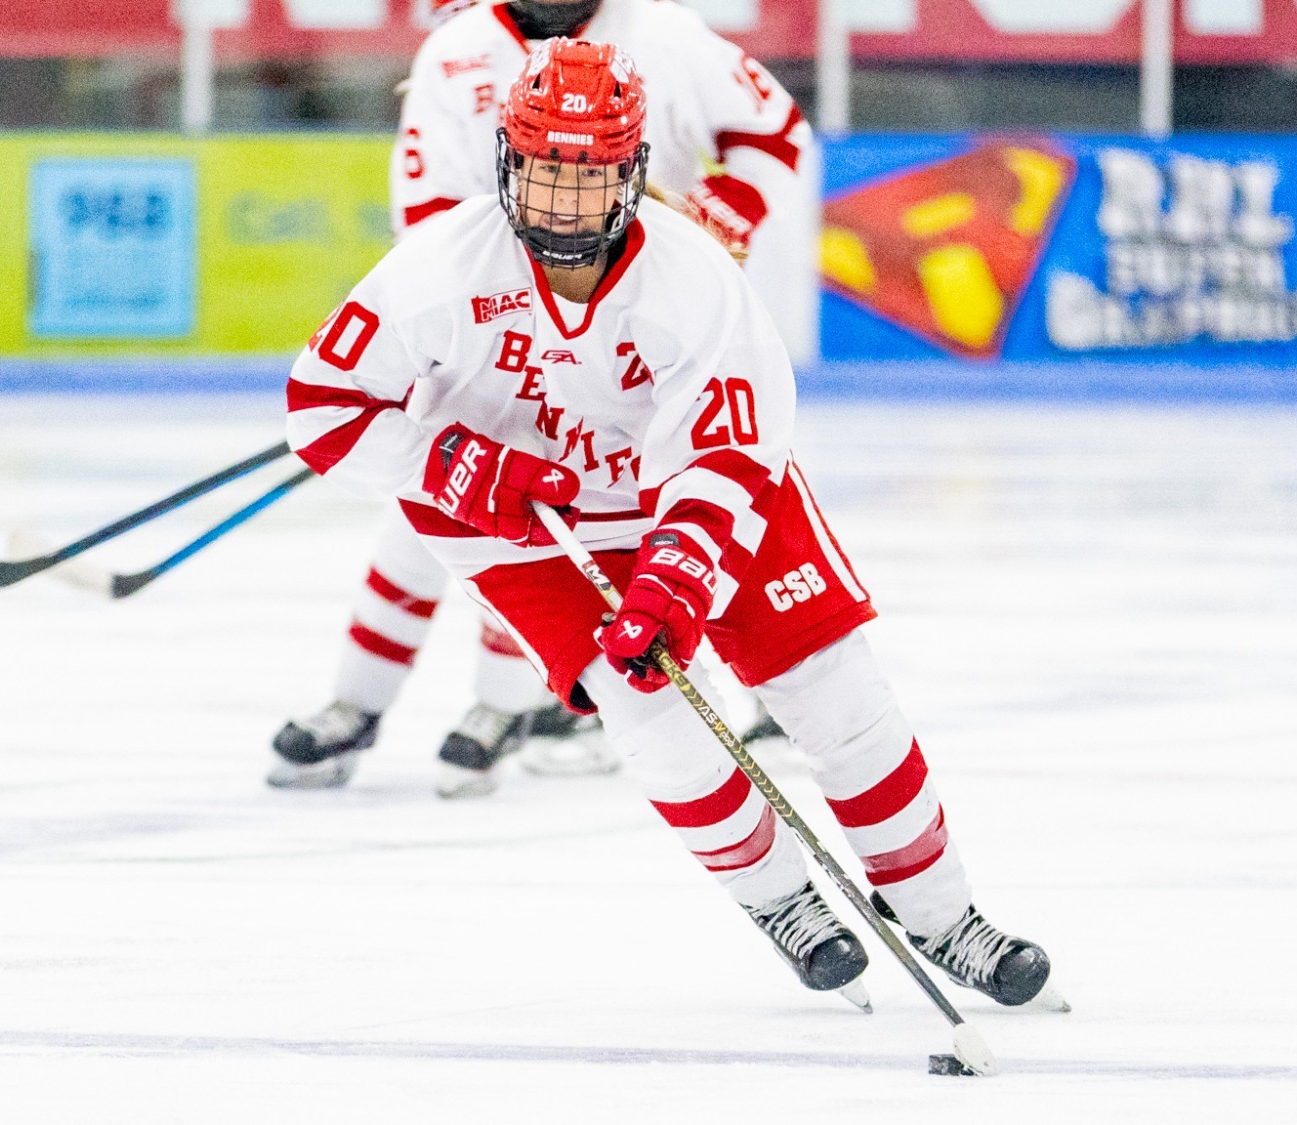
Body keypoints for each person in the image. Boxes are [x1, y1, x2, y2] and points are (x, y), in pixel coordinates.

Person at [280, 38, 1054, 1010]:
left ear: (633, 174)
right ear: (507, 164)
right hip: (519, 521)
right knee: (650, 721)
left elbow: (729, 453)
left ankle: (944, 916)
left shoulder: (691, 277)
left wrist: (676, 576)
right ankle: (780, 901)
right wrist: (458, 465)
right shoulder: (434, 267)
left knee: (836, 697)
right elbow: (319, 409)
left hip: (694, 498)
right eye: (545, 174)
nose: (564, 205)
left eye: (590, 177)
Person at [268, 0, 808, 798]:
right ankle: (363, 699)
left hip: (645, 341)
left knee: (684, 513)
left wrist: (717, 221)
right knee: (450, 502)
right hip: (497, 335)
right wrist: (452, 328)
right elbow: (425, 222)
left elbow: (775, 132)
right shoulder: (458, 53)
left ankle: (513, 704)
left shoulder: (663, 34)